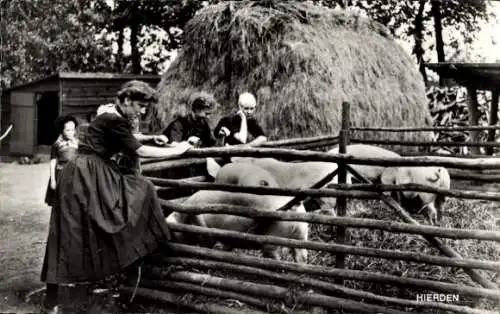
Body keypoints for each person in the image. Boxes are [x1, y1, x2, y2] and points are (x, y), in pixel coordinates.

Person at [40, 80, 192, 314]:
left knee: (69, 229)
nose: (142, 111)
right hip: (88, 174)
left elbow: (126, 140)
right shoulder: (115, 119)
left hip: (79, 172)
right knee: (141, 190)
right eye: (140, 106)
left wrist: (152, 138)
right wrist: (178, 150)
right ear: (127, 100)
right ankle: (137, 257)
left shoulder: (111, 116)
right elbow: (139, 151)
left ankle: (53, 299)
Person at [44, 115, 79, 207]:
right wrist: (53, 180)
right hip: (61, 175)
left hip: (74, 174)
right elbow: (53, 163)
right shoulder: (57, 145)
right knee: (61, 200)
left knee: (73, 200)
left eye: (73, 130)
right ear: (62, 131)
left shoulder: (77, 144)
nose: (71, 132)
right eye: (68, 130)